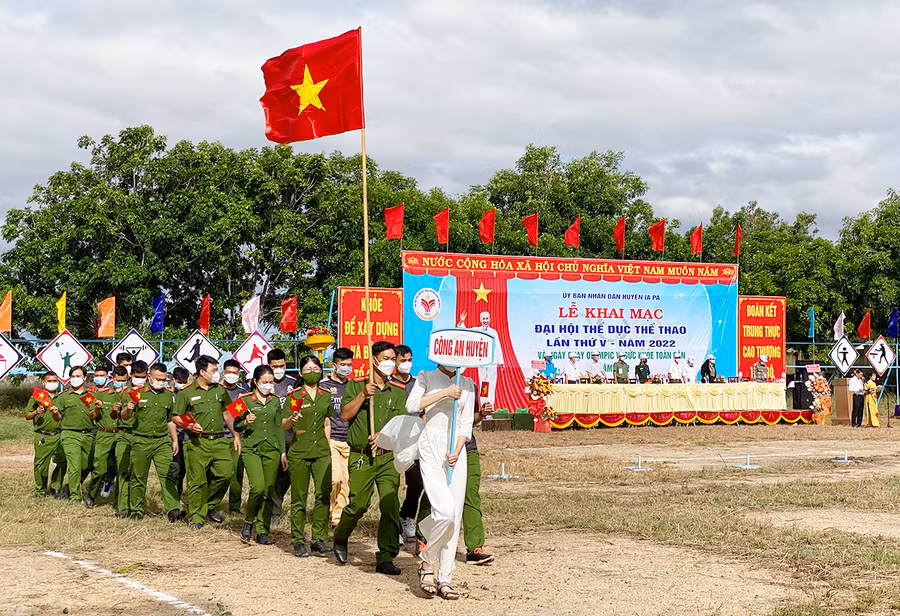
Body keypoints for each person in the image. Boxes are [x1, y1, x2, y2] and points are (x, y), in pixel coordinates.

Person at [332, 341, 407, 575]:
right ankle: (341, 535)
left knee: (389, 504)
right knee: (359, 504)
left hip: (387, 458)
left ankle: (386, 556)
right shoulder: (357, 386)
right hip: (362, 456)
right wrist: (364, 395)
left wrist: (386, 436)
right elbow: (344, 416)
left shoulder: (397, 391)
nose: (390, 363)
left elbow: (403, 426)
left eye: (393, 359)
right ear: (374, 360)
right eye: (386, 358)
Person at [405, 363, 474, 600]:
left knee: (454, 516)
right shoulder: (425, 377)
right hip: (430, 447)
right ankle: (426, 562)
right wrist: (445, 392)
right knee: (443, 512)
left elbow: (466, 424)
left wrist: (457, 449)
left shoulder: (468, 384)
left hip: (455, 452)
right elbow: (412, 405)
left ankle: (445, 578)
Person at [173, 355, 238, 529]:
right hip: (197, 443)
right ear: (202, 372)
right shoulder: (186, 392)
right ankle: (196, 517)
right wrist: (190, 425)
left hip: (219, 441)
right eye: (214, 370)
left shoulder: (220, 390)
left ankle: (208, 505)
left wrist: (236, 434)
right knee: (197, 481)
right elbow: (175, 416)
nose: (217, 374)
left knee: (226, 474)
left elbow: (227, 413)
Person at [283, 356, 333, 557]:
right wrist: (292, 419)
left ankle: (319, 538)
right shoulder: (294, 395)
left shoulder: (326, 395)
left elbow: (327, 422)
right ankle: (298, 540)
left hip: (321, 450)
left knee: (323, 494)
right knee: (299, 497)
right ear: (301, 373)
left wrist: (327, 447)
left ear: (320, 371)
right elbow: (284, 424)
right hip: (299, 451)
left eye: (315, 368)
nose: (311, 371)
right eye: (307, 368)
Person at [235, 365, 286, 545]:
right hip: (251, 448)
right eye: (264, 382)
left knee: (269, 489)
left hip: (271, 448)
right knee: (258, 487)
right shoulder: (244, 400)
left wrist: (282, 452)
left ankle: (262, 529)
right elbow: (234, 425)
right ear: (255, 382)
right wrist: (244, 422)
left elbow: (279, 427)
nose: (268, 385)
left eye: (271, 382)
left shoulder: (275, 401)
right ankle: (249, 521)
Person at [123, 363, 181, 521]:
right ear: (149, 377)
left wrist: (174, 439)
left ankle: (173, 509)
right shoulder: (137, 393)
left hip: (162, 441)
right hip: (141, 440)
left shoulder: (168, 395)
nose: (161, 382)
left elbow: (170, 420)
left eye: (164, 379)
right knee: (138, 476)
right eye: (158, 379)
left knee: (167, 475)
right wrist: (128, 408)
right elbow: (124, 417)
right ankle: (136, 509)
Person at [50, 366, 100, 505]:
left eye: (78, 376)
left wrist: (97, 409)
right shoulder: (64, 397)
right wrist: (55, 413)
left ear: (84, 378)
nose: (75, 379)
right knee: (74, 466)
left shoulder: (89, 396)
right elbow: (58, 418)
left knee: (88, 465)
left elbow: (92, 416)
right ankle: (75, 497)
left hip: (88, 435)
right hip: (70, 434)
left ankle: (69, 487)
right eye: (73, 376)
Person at [393, 344, 424, 542]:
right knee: (390, 484)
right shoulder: (390, 384)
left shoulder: (418, 384)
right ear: (394, 362)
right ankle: (393, 527)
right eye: (402, 360)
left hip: (416, 440)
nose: (406, 364)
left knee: (416, 482)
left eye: (409, 360)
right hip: (395, 439)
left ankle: (406, 516)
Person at [321, 347, 354, 527]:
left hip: (348, 439)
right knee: (335, 478)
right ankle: (329, 508)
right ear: (334, 365)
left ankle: (337, 518)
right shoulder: (323, 387)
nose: (346, 368)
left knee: (346, 481)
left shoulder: (353, 386)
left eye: (349, 365)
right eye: (343, 365)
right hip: (331, 438)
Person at [85, 366, 125, 509]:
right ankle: (91, 494)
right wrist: (97, 408)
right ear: (112, 379)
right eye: (118, 380)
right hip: (104, 434)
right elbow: (91, 416)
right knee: (100, 468)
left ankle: (120, 501)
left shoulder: (130, 395)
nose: (121, 383)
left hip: (122, 434)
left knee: (122, 469)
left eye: (124, 380)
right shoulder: (102, 394)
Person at [115, 360, 148, 518]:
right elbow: (118, 415)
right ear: (131, 376)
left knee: (139, 473)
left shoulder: (151, 392)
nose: (139, 380)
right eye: (136, 376)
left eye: (142, 377)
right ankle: (123, 507)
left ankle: (138, 506)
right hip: (124, 434)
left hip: (143, 436)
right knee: (124, 471)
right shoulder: (122, 392)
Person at [25, 371, 66, 498]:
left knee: (61, 462)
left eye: (55, 381)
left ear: (58, 382)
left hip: (59, 435)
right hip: (42, 435)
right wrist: (36, 412)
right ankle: (40, 490)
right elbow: (27, 415)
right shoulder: (37, 396)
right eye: (49, 381)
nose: (52, 383)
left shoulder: (62, 397)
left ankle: (56, 487)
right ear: (44, 382)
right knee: (41, 465)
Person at [268, 348, 296, 523]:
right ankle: (271, 510)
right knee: (271, 475)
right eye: (275, 366)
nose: (279, 369)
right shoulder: (261, 382)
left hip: (289, 436)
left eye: (282, 365)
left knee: (287, 475)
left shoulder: (294, 382)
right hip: (269, 437)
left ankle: (276, 507)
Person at [457, 310, 504, 407]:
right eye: (483, 318)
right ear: (480, 319)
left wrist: (501, 361)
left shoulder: (493, 332)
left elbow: (498, 346)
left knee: (491, 385)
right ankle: (483, 405)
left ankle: (490, 406)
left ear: (490, 319)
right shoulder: (477, 330)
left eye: (487, 318)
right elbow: (467, 332)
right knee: (484, 384)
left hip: (493, 361)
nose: (485, 320)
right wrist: (462, 322)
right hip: (482, 361)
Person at [220, 358, 248, 514]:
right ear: (223, 372)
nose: (231, 375)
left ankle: (235, 507)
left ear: (239, 374)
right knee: (218, 472)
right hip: (218, 437)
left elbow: (242, 417)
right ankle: (211, 502)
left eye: (234, 373)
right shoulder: (215, 390)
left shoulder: (242, 394)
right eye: (229, 372)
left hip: (237, 437)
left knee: (237, 472)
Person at [168, 366, 192, 502]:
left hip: (187, 436)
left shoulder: (189, 394)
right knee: (175, 469)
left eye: (183, 381)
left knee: (186, 470)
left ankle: (184, 496)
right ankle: (175, 497)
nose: (181, 383)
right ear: (173, 379)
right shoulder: (169, 395)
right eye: (178, 380)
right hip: (172, 437)